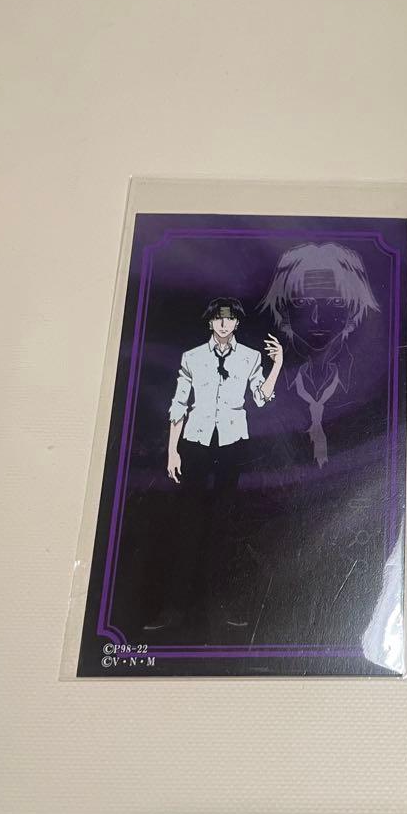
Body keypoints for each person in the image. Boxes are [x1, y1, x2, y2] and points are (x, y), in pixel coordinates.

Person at [145, 298, 283, 631]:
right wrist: (172, 451)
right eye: (218, 318)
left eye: (230, 318)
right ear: (210, 323)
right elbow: (179, 404)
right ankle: (174, 610)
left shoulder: (250, 357)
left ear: (236, 323)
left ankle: (218, 609)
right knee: (188, 524)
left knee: (223, 525)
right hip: (196, 444)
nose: (224, 323)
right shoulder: (192, 357)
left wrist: (277, 365)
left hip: (232, 446)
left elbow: (260, 399)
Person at [257, 242, 379, 465]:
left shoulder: (374, 384)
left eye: (335, 302)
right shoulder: (265, 377)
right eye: (302, 302)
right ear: (283, 308)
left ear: (353, 308)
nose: (316, 317)